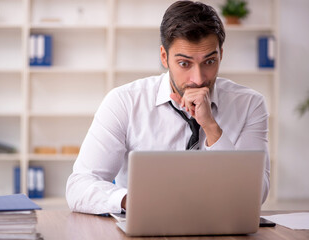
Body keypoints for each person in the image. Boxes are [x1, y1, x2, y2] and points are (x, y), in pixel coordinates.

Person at [66, 0, 270, 214]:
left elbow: (255, 195)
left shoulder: (249, 105)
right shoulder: (125, 102)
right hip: (148, 226)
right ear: (164, 57)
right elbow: (79, 187)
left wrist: (211, 127)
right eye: (184, 63)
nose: (198, 79)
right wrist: (134, 200)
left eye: (209, 62)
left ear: (221, 54)